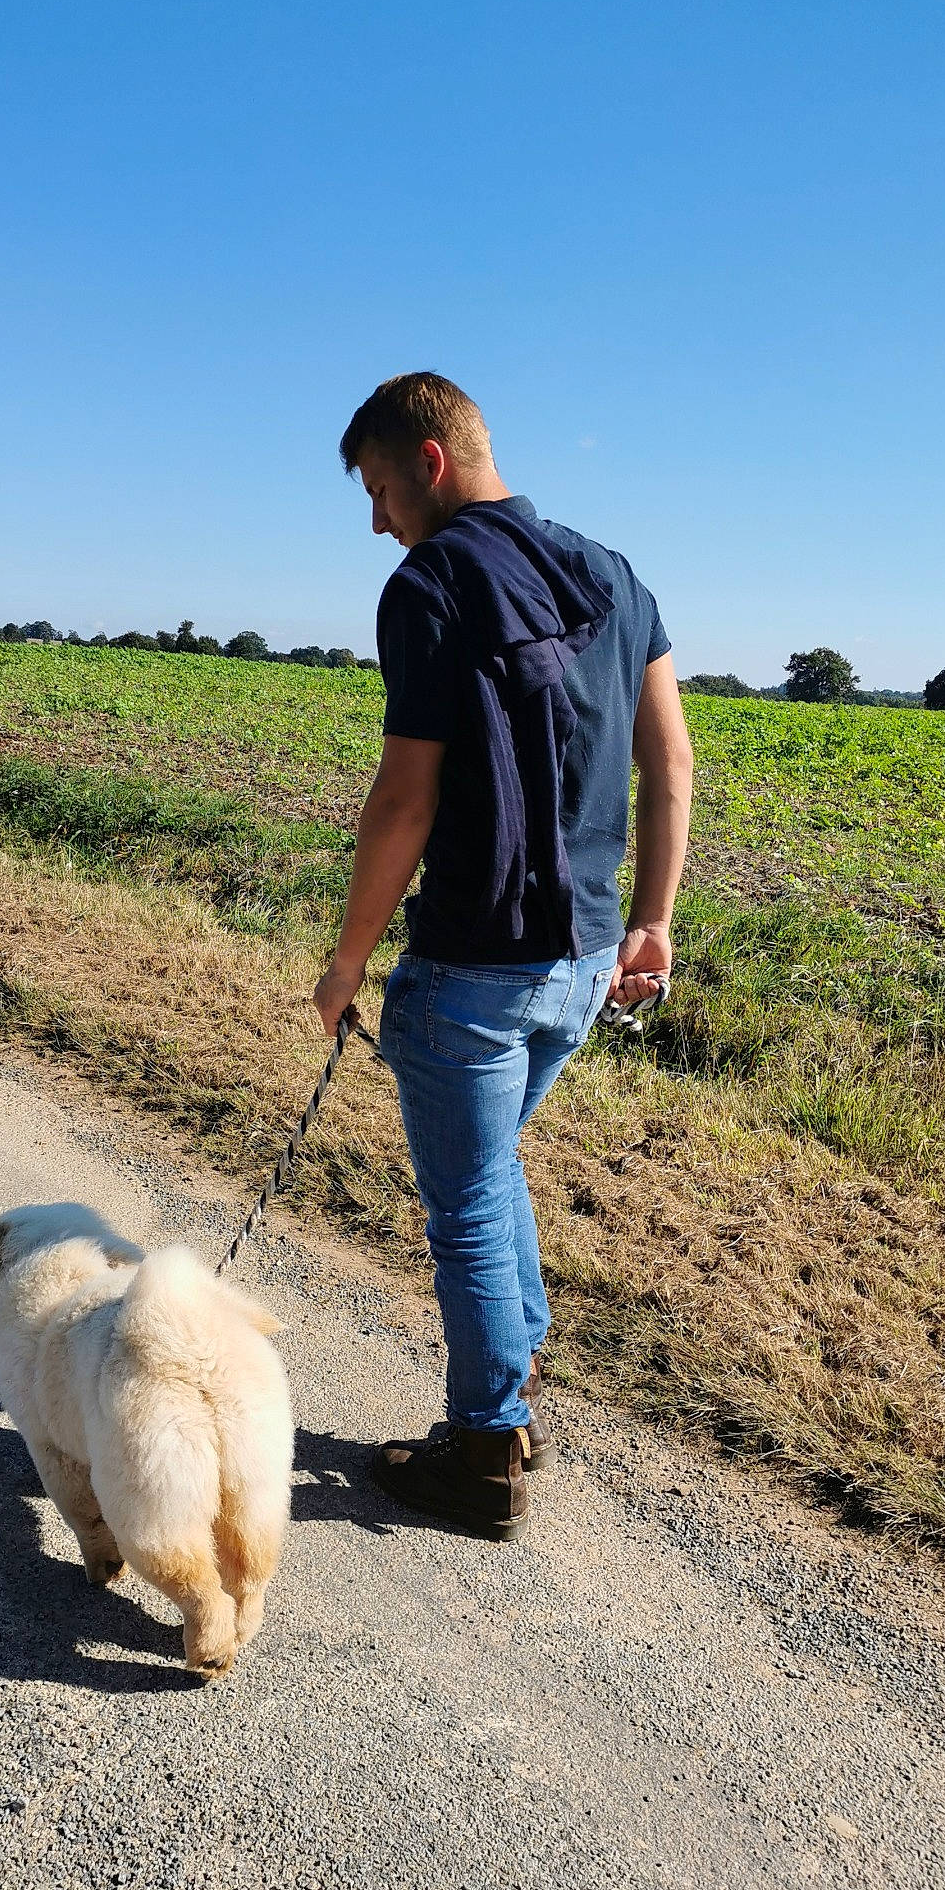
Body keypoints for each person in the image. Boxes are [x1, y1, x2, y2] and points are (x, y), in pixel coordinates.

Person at [312, 372, 693, 1541]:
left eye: (377, 489)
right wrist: (654, 918)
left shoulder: (428, 583)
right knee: (494, 1175)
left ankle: (482, 1451)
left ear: (428, 460)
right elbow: (669, 763)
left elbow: (403, 801)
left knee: (467, 1205)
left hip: (473, 968)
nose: (376, 519)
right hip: (582, 963)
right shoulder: (613, 573)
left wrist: (344, 963)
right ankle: (513, 1400)